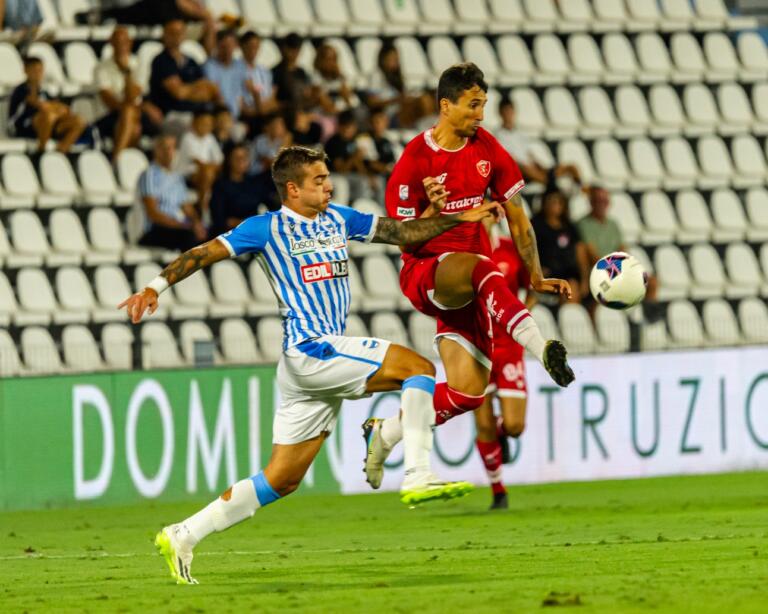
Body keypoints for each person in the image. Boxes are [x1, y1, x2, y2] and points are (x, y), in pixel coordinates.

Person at [118, 145, 500, 584]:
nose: (329, 185)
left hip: (308, 368)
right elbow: (202, 254)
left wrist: (456, 217)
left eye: (327, 177)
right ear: (293, 189)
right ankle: (416, 473)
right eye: (319, 180)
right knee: (419, 368)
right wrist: (153, 287)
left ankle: (184, 534)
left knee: (282, 479)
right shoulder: (264, 228)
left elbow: (405, 234)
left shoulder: (340, 217)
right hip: (311, 349)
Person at [360, 63, 575, 490]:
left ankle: (382, 434)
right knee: (483, 267)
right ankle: (541, 344)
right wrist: (438, 214)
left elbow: (518, 216)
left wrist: (535, 275)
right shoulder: (414, 160)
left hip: (472, 288)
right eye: (473, 105)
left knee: (467, 394)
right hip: (427, 273)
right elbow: (401, 237)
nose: (480, 114)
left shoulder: (488, 149)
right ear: (446, 105)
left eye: (484, 105)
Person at [473, 218, 534, 511]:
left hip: (509, 347)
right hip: (476, 347)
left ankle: (502, 431)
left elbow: (532, 285)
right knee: (482, 424)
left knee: (515, 425)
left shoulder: (511, 250)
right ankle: (499, 491)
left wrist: (522, 314)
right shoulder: (464, 254)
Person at [577, 185, 659, 309]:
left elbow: (622, 249)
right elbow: (592, 255)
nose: (601, 204)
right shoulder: (583, 224)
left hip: (615, 268)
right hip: (597, 271)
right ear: (591, 202)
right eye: (598, 201)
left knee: (651, 282)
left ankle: (648, 318)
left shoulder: (613, 224)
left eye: (604, 201)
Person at [94, 26, 162, 161]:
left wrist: (126, 73)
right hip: (111, 114)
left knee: (132, 121)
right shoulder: (101, 68)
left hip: (134, 113)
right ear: (111, 43)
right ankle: (125, 162)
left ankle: (117, 159)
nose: (121, 46)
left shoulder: (139, 64)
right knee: (131, 120)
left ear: (130, 43)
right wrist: (137, 107)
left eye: (124, 42)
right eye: (117, 42)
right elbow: (109, 102)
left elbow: (132, 95)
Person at [137, 134, 206, 251]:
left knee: (209, 235)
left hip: (177, 227)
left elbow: (187, 207)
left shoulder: (177, 177)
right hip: (156, 229)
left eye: (171, 148)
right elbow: (153, 213)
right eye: (165, 148)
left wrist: (197, 223)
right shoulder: (149, 175)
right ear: (157, 150)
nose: (169, 152)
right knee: (188, 237)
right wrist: (181, 225)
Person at [8, 57, 87, 153]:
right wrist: (55, 109)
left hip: (47, 127)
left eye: (40, 70)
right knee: (47, 116)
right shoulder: (21, 90)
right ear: (26, 70)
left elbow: (64, 109)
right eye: (34, 70)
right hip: (22, 127)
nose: (38, 74)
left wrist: (57, 109)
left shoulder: (44, 91)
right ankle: (41, 152)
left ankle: (61, 151)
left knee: (78, 121)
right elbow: (41, 106)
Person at [496, 99, 581, 188]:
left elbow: (529, 154)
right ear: (500, 113)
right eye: (506, 111)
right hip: (519, 172)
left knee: (572, 168)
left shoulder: (520, 133)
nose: (508, 114)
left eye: (510, 110)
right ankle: (551, 184)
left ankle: (580, 188)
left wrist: (541, 167)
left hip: (532, 170)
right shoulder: (498, 136)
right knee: (522, 167)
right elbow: (509, 160)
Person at [148, 19, 221, 117]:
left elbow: (209, 91)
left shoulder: (191, 61)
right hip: (173, 114)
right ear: (165, 34)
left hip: (198, 113)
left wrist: (186, 88)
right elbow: (178, 93)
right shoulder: (160, 61)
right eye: (173, 33)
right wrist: (196, 88)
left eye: (180, 32)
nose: (177, 36)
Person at [531, 190, 590, 304]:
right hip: (545, 273)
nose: (554, 205)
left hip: (567, 272)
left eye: (557, 202)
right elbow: (527, 250)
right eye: (550, 201)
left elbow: (581, 253)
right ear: (543, 204)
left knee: (570, 286)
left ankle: (569, 317)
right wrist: (536, 271)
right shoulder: (535, 225)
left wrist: (584, 279)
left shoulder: (569, 227)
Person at [209, 144, 269, 236]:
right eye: (236, 157)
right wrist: (242, 223)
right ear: (229, 160)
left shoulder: (254, 182)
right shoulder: (220, 185)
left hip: (254, 233)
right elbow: (219, 219)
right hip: (228, 235)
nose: (241, 161)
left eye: (244, 157)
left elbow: (267, 205)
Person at [176, 109, 223, 211]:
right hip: (186, 176)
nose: (206, 127)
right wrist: (211, 168)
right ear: (194, 123)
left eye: (209, 124)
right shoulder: (187, 137)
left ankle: (205, 203)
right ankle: (203, 206)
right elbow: (198, 162)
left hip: (206, 174)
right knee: (208, 172)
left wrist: (211, 168)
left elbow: (219, 161)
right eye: (203, 123)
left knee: (210, 173)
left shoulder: (210, 138)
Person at [325, 109, 376, 202]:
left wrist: (367, 176)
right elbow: (341, 170)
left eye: (351, 126)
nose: (348, 130)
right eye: (345, 126)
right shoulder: (334, 142)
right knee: (361, 182)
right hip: (333, 175)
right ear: (339, 127)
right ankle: (358, 211)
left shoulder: (354, 140)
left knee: (371, 180)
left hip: (350, 175)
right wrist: (354, 157)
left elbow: (359, 164)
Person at [239, 30, 278, 132]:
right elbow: (240, 104)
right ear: (242, 46)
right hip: (247, 115)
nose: (253, 50)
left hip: (264, 112)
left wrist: (262, 108)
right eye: (250, 46)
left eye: (256, 47)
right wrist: (258, 109)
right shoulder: (235, 70)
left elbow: (271, 98)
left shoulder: (264, 71)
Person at [203, 29, 246, 119]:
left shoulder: (240, 66)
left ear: (235, 46)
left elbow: (242, 93)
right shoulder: (209, 66)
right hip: (216, 115)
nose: (228, 50)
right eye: (224, 46)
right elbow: (215, 94)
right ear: (218, 46)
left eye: (230, 46)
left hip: (236, 116)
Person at [271, 32, 311, 113]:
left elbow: (307, 95)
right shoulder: (276, 72)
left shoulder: (301, 72)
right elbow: (272, 99)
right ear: (283, 49)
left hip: (301, 111)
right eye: (291, 49)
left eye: (296, 50)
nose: (293, 53)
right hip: (284, 112)